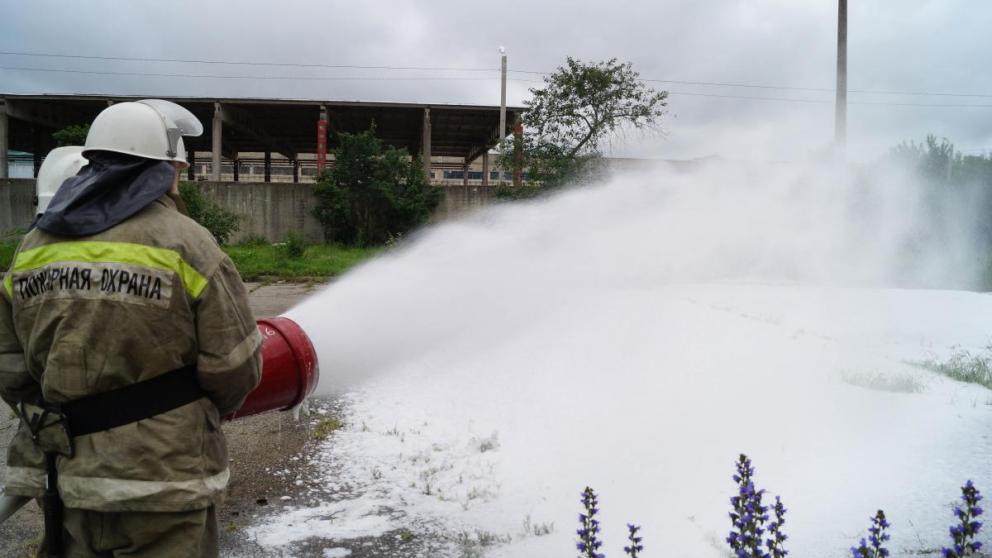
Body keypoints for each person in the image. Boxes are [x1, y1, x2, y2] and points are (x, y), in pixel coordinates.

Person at [0, 99, 262, 557]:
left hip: (68, 478)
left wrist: (62, 412)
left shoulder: (34, 245)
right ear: (166, 169)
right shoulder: (186, 242)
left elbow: (9, 366)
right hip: (164, 481)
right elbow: (234, 365)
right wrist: (187, 417)